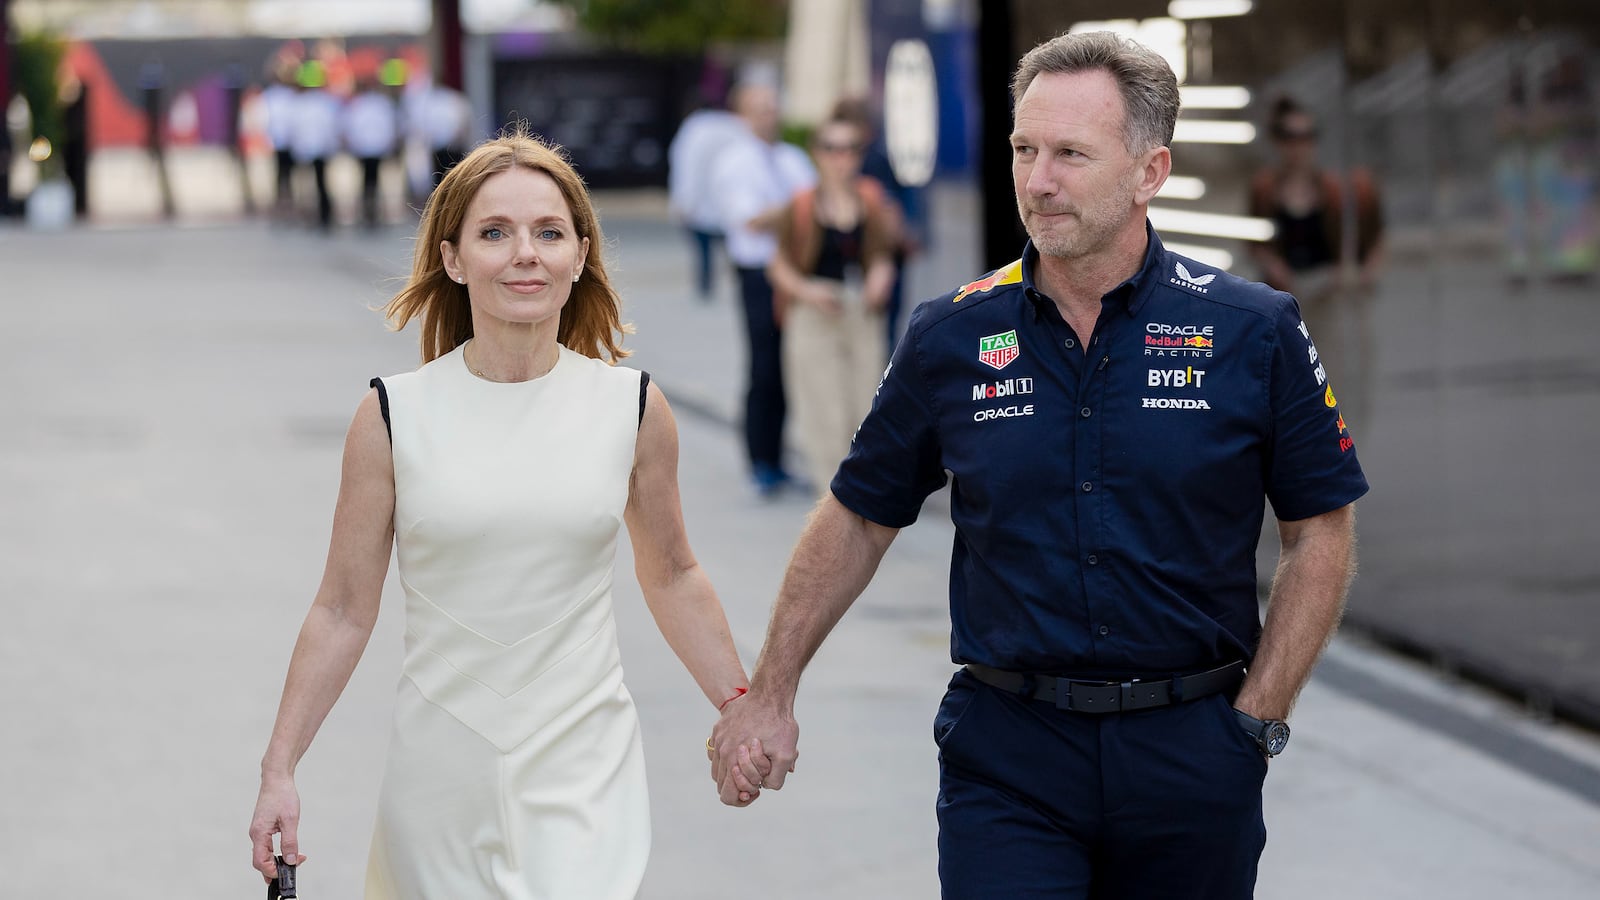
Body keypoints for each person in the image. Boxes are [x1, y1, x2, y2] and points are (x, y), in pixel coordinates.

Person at [709, 31, 1369, 899]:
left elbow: (1320, 527)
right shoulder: (949, 334)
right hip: (1008, 757)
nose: (1037, 179)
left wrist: (1256, 722)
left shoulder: (1253, 330)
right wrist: (772, 689)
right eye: (1024, 149)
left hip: (1192, 754)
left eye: (1069, 153)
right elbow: (860, 515)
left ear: (1149, 170)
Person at [248, 128, 752, 897]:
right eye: (495, 232)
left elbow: (674, 574)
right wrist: (279, 769)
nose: (526, 253)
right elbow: (343, 609)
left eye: (549, 232)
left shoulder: (633, 407)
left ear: (580, 254)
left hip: (584, 771)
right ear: (453, 258)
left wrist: (740, 706)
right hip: (440, 778)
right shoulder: (392, 415)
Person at [765, 114, 898, 494]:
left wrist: (880, 275)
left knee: (867, 407)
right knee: (823, 409)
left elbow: (883, 255)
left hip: (860, 310)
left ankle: (864, 494)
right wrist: (807, 291)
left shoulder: (870, 199)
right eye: (832, 149)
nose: (841, 158)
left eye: (850, 149)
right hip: (813, 311)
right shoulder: (802, 204)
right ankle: (833, 497)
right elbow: (776, 265)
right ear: (817, 155)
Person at [1249, 96, 1384, 425]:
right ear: (1278, 143)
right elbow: (1255, 238)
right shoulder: (1265, 188)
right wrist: (1273, 266)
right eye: (1290, 137)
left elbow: (1375, 235)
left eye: (1307, 136)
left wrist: (1362, 273)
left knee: (1333, 381)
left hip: (1329, 293)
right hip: (1283, 298)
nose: (1299, 146)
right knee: (1283, 386)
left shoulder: (1338, 189)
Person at [711, 82, 816, 496]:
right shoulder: (734, 163)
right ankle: (760, 462)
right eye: (759, 110)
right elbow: (752, 220)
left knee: (792, 364)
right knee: (764, 366)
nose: (769, 116)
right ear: (741, 116)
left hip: (796, 269)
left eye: (773, 107)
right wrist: (798, 210)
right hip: (757, 275)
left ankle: (779, 458)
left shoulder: (791, 158)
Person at [833, 95, 927, 352]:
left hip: (875, 254)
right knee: (882, 331)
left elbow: (892, 208)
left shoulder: (870, 159)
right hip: (878, 255)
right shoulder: (875, 156)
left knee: (878, 332)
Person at [667, 99, 744, 300]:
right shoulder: (734, 125)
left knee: (703, 250)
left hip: (700, 204)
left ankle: (705, 285)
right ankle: (740, 281)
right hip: (729, 201)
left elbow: (687, 167)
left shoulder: (694, 129)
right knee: (735, 247)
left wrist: (683, 201)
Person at [343, 73, 400, 228]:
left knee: (368, 181)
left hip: (366, 147)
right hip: (373, 147)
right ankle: (371, 211)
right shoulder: (379, 103)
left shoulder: (360, 104)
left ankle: (371, 211)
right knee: (372, 180)